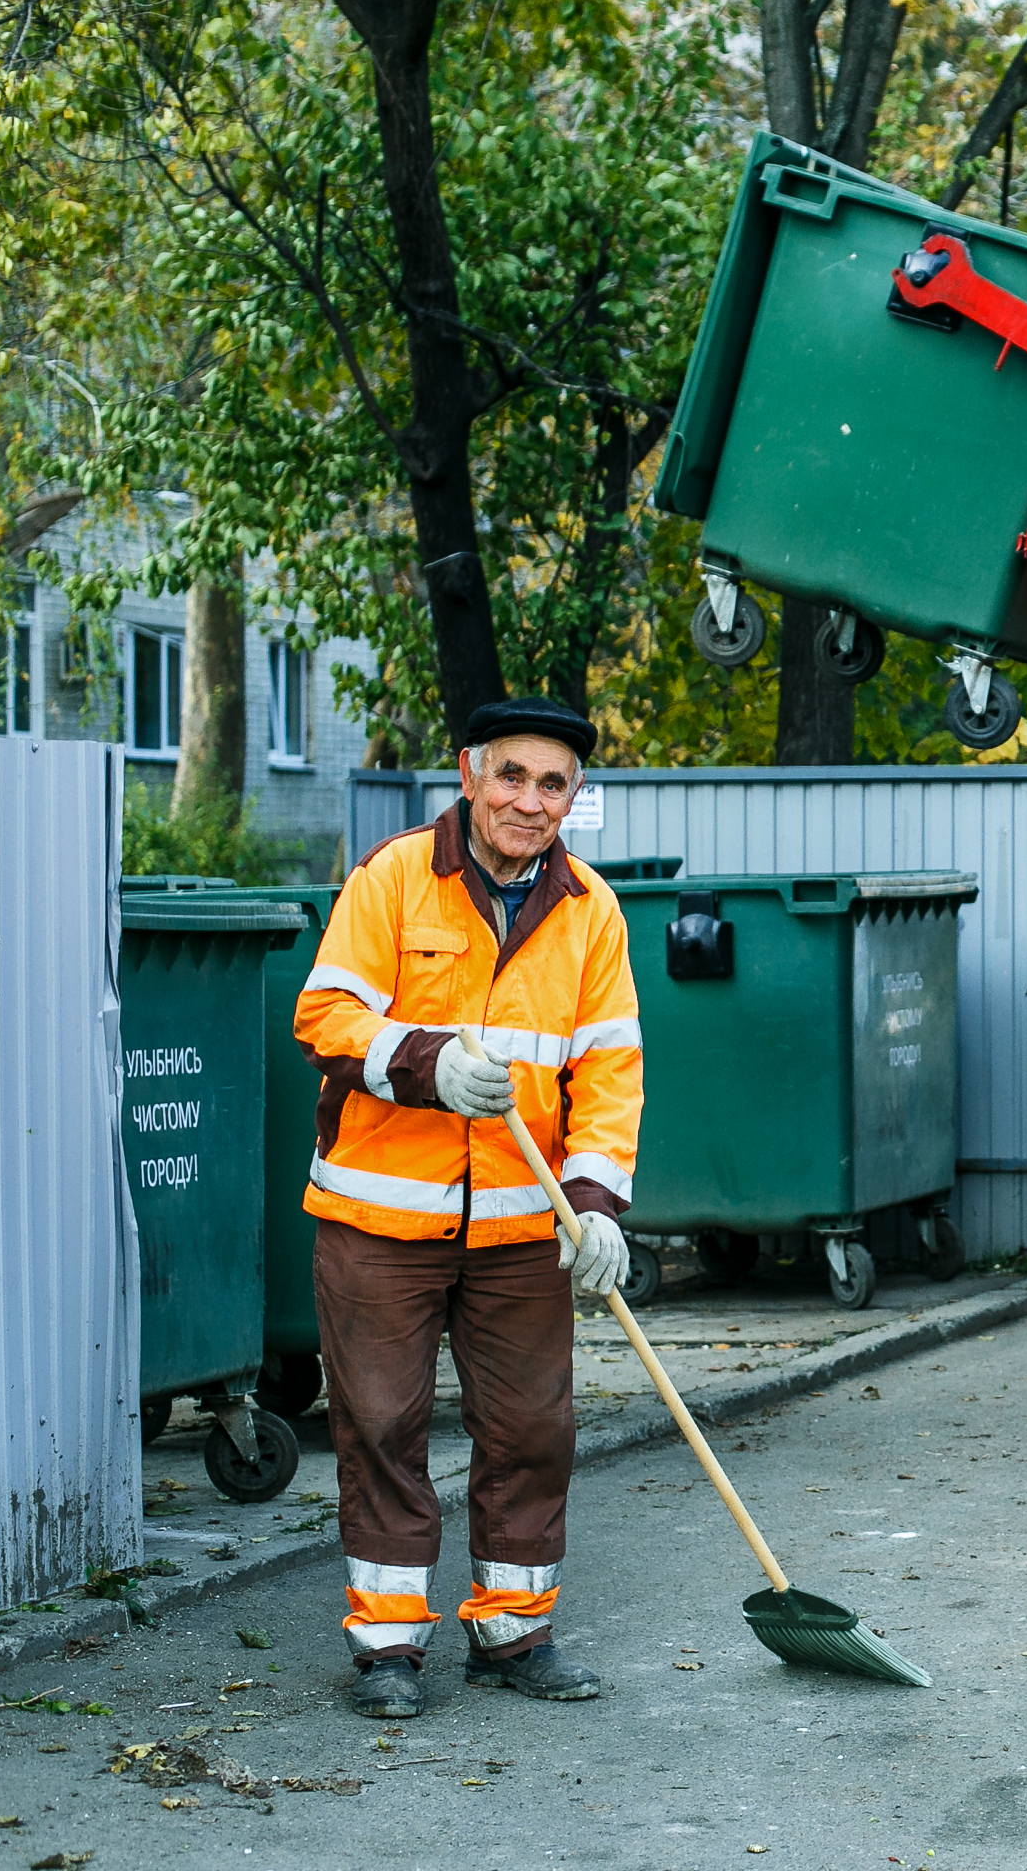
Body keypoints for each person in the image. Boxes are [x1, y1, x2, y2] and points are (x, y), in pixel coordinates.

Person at [292, 696, 643, 1719]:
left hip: (524, 1227)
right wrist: (425, 1062)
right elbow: (324, 1013)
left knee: (533, 1425)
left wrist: (597, 1203)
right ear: (469, 773)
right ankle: (388, 1646)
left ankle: (513, 1630)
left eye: (554, 783)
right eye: (512, 776)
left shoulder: (592, 911)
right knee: (383, 1421)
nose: (529, 801)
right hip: (378, 1220)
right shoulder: (396, 875)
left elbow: (610, 1069)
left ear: (575, 797)